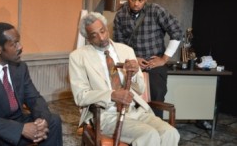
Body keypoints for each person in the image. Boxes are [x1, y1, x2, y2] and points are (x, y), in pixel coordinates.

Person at [69, 12, 180, 146]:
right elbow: (80, 96)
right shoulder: (78, 57)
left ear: (106, 28)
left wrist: (133, 74)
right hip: (106, 115)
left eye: (103, 31)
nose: (102, 37)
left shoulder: (126, 50)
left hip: (135, 111)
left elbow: (140, 89)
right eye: (94, 35)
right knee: (149, 135)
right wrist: (112, 95)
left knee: (171, 133)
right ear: (88, 38)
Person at [113, 0, 183, 118]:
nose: (136, 4)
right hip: (132, 64)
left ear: (146, 0)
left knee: (157, 94)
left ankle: (156, 127)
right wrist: (133, 59)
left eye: (140, 0)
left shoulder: (156, 11)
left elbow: (177, 32)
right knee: (129, 96)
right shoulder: (120, 15)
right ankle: (132, 127)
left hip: (154, 64)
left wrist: (164, 59)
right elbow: (118, 44)